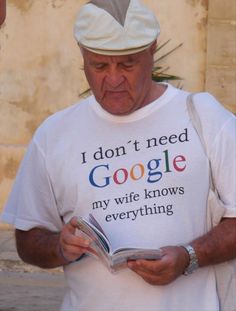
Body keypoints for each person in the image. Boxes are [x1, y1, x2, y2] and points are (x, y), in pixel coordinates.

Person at [1, 0, 236, 310]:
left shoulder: (204, 116)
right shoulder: (54, 134)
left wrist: (190, 256)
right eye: (99, 66)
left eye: (127, 65)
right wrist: (60, 246)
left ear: (152, 51)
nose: (113, 80)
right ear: (82, 57)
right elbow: (28, 239)